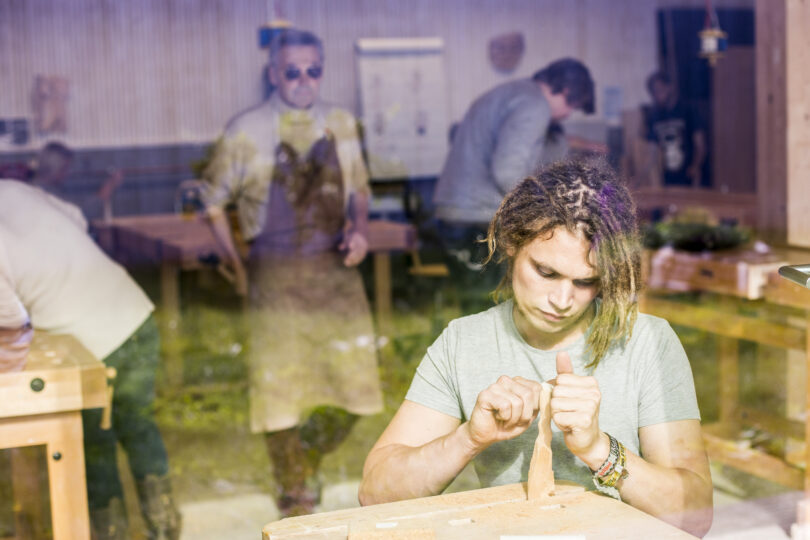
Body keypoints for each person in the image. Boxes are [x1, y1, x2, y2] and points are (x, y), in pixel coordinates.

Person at [359, 159, 713, 537]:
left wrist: (598, 450)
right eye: (547, 273)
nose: (562, 299)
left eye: (585, 282)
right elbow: (375, 492)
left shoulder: (646, 343)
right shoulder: (463, 343)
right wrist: (469, 438)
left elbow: (695, 517)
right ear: (512, 242)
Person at [201, 28, 384, 517]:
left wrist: (359, 229)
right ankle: (293, 485)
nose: (304, 80)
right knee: (278, 388)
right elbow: (213, 202)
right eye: (292, 71)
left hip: (333, 270)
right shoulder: (245, 129)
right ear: (273, 73)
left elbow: (360, 188)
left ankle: (306, 454)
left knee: (356, 386)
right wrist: (238, 266)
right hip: (275, 273)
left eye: (313, 70)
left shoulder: (341, 122)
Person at [0, 180, 181, 540]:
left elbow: (9, 324)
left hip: (95, 343)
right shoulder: (12, 190)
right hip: (135, 314)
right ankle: (165, 529)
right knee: (139, 429)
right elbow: (78, 219)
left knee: (94, 452)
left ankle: (111, 534)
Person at [431, 58, 596, 300]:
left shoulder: (512, 93)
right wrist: (546, 211)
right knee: (491, 315)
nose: (568, 114)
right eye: (572, 106)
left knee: (478, 312)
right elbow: (508, 172)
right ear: (566, 91)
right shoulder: (534, 105)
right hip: (477, 220)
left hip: (460, 216)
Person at [0, 141, 123, 219]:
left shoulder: (37, 187)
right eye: (66, 168)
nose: (68, 173)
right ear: (57, 168)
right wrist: (110, 185)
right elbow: (81, 212)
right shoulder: (44, 193)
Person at [644, 71, 707, 187]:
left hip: (689, 176)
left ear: (670, 87)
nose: (658, 96)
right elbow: (651, 153)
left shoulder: (688, 110)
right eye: (654, 93)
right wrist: (640, 177)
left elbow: (701, 145)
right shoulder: (654, 117)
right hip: (667, 179)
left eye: (660, 91)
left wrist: (695, 166)